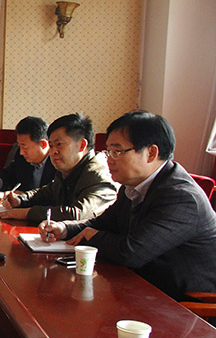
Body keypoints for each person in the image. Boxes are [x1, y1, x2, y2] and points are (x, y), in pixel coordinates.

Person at [40, 110, 216, 301]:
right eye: (108, 151)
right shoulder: (132, 186)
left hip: (185, 303)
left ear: (151, 153)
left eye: (117, 152)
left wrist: (94, 236)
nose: (109, 159)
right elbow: (103, 223)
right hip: (143, 289)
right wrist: (64, 228)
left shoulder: (181, 198)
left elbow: (131, 252)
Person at [0, 113, 118, 224]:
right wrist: (20, 200)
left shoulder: (99, 173)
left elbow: (77, 214)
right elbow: (47, 193)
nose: (53, 151)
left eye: (59, 144)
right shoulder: (69, 168)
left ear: (81, 145)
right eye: (51, 145)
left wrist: (27, 213)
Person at [0, 116, 55, 192]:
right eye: (19, 145)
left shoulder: (58, 163)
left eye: (24, 146)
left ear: (43, 144)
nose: (21, 152)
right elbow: (10, 175)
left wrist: (26, 196)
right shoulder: (21, 156)